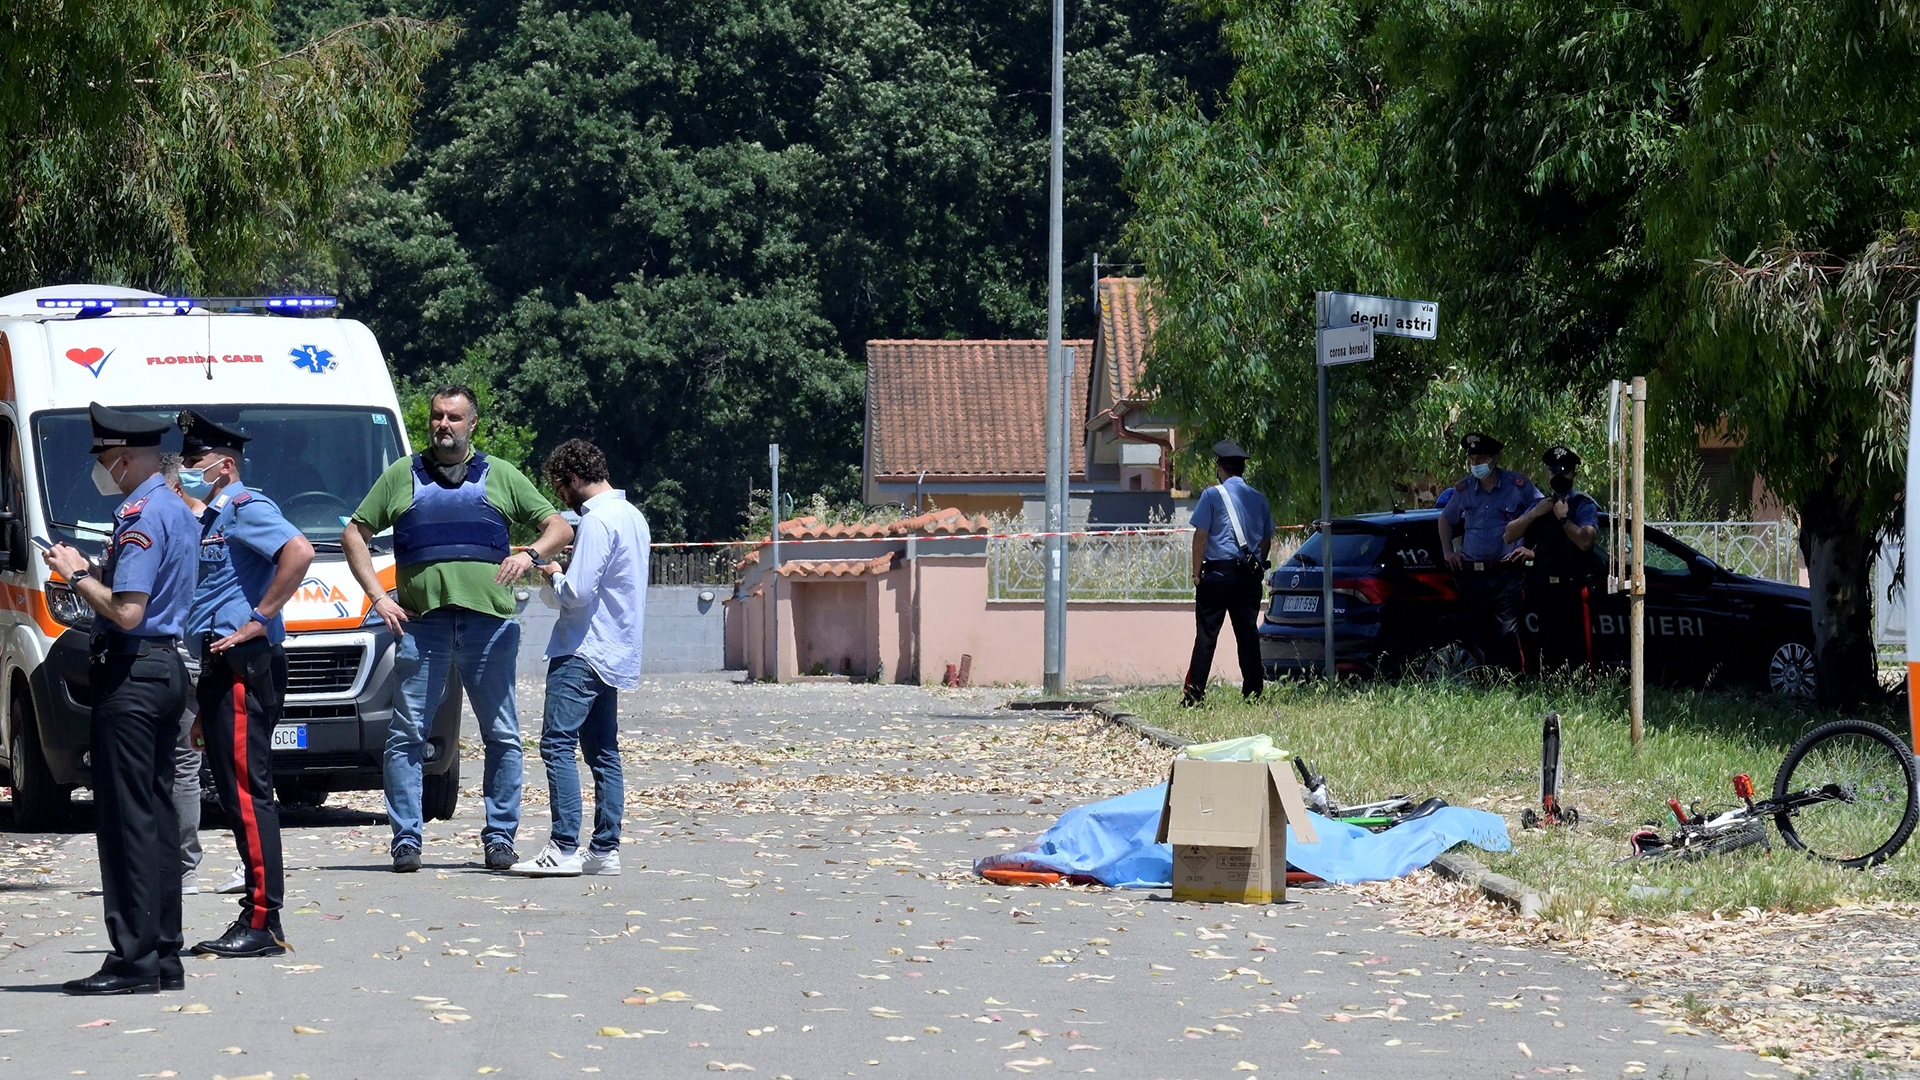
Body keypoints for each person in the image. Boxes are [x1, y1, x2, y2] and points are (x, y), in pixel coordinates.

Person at [341, 385, 572, 873]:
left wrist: (530, 554)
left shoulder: (501, 475)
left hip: (488, 627)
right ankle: (406, 839)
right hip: (422, 627)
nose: (443, 425)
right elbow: (354, 533)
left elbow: (559, 527)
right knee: (406, 736)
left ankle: (500, 838)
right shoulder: (403, 475)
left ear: (472, 425)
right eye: (437, 417)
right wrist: (378, 598)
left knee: (504, 735)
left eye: (454, 417)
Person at [42, 403, 197, 995]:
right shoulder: (176, 508)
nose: (101, 471)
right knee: (156, 816)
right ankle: (162, 954)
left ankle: (133, 959)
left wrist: (75, 574)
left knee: (127, 820)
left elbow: (129, 611)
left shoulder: (139, 513)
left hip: (132, 674)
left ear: (125, 458)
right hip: (164, 671)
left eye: (104, 460)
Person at [176, 410, 316, 957]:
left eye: (193, 461)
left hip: (243, 664)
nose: (185, 469)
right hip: (219, 669)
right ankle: (262, 917)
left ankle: (261, 918)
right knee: (236, 797)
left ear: (224, 465)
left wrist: (261, 615)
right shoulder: (213, 518)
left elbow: (299, 551)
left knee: (247, 796)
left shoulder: (245, 506)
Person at [513, 439, 648, 877]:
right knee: (603, 751)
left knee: (556, 743)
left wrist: (551, 571)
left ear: (571, 479)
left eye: (560, 488)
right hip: (616, 649)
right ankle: (605, 850)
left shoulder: (598, 521)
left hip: (583, 649)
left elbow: (577, 593)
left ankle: (564, 847)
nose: (561, 499)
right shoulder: (633, 517)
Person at [1436, 432, 1543, 672]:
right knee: (1477, 632)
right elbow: (1445, 520)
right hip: (1473, 574)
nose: (1476, 464)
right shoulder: (1463, 489)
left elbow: (1542, 511)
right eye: (1472, 459)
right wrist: (1448, 552)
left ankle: (1513, 681)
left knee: (1507, 633)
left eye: (1481, 458)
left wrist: (1533, 550)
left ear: (1494, 458)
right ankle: (1484, 682)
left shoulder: (1518, 486)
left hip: (1506, 573)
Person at [1182, 440, 1274, 706]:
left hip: (1217, 576)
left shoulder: (1211, 496)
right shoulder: (1258, 498)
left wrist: (1196, 574)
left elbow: (1201, 536)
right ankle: (1253, 693)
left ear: (1220, 468)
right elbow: (1266, 539)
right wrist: (1257, 563)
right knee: (1247, 635)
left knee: (1207, 636)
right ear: (1242, 469)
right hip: (1247, 576)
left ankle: (1195, 695)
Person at [157, 453, 208, 897]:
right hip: (197, 656)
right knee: (185, 764)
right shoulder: (212, 526)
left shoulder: (168, 525)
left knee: (173, 764)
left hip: (170, 653)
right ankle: (184, 866)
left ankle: (178, 866)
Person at [1507, 445, 1602, 674]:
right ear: (1548, 474)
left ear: (1573, 474)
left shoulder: (1582, 505)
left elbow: (1585, 541)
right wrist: (1534, 514)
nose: (1559, 477)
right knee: (1550, 652)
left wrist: (1563, 520)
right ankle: (1552, 695)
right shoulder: (1540, 506)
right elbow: (1509, 535)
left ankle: (1579, 696)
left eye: (1565, 472)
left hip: (1574, 590)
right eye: (1554, 472)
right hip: (1544, 591)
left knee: (1578, 653)